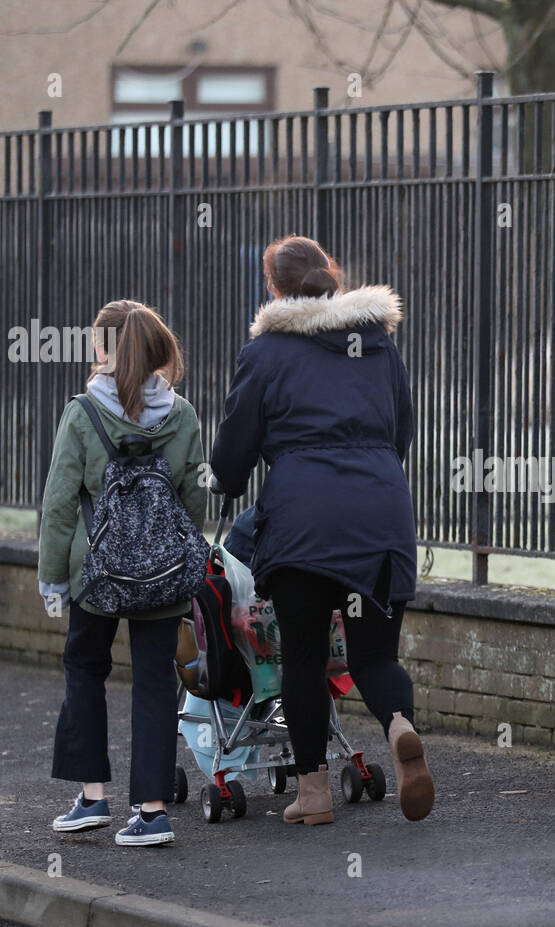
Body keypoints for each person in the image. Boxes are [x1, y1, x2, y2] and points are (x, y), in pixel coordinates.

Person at [209, 235, 433, 825]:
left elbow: (233, 455)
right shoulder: (378, 342)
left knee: (304, 660)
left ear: (274, 289)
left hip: (303, 528)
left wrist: (226, 481)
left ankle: (312, 795)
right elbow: (401, 429)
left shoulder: (267, 353)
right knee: (374, 656)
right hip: (381, 515)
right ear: (332, 276)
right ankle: (401, 727)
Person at [38, 300, 207, 845]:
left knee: (85, 666)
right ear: (159, 351)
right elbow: (193, 501)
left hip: (97, 575)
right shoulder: (182, 417)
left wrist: (53, 579)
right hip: (163, 573)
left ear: (100, 350)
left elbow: (61, 505)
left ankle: (92, 799)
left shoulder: (83, 414)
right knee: (156, 682)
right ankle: (153, 811)